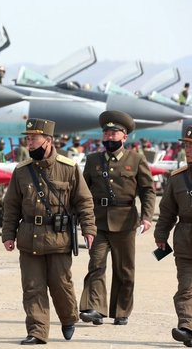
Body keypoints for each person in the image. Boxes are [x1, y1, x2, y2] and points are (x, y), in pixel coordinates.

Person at [2, 118, 96, 345]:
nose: (30, 143)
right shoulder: (22, 171)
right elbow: (12, 205)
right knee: (32, 288)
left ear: (48, 140)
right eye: (28, 138)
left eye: (34, 138)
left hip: (58, 238)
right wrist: (8, 234)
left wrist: (88, 229)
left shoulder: (68, 168)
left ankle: (68, 318)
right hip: (29, 238)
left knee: (61, 285)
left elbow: (84, 201)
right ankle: (37, 331)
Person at [79, 110, 155, 326]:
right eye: (107, 133)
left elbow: (148, 190)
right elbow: (83, 191)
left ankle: (121, 310)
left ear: (124, 136)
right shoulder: (92, 160)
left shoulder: (136, 159)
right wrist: (83, 219)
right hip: (98, 222)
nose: (110, 137)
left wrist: (147, 216)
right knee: (96, 264)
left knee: (124, 270)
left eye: (115, 133)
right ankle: (95, 308)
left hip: (125, 222)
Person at [155, 126, 192, 346]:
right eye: (186, 145)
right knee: (186, 287)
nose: (188, 149)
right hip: (185, 240)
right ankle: (187, 327)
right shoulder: (177, 178)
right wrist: (161, 235)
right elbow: (167, 210)